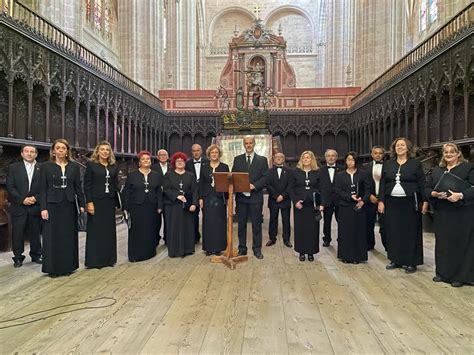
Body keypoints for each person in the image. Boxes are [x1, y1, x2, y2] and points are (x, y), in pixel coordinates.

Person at [425, 143, 474, 287]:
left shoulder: (468, 168)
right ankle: (442, 273)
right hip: (443, 212)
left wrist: (460, 195)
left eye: (452, 152)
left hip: (462, 212)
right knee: (443, 243)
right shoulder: (437, 170)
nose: (449, 154)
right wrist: (433, 193)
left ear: (458, 154)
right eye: (446, 152)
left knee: (460, 243)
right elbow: (426, 188)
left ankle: (460, 276)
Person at [378, 137, 428, 274]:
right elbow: (382, 184)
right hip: (391, 203)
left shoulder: (415, 164)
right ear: (394, 149)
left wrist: (425, 201)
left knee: (411, 232)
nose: (399, 147)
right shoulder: (387, 164)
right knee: (393, 232)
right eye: (397, 146)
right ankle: (395, 259)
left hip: (410, 203)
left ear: (408, 148)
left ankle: (411, 261)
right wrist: (381, 201)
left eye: (402, 145)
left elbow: (422, 183)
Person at [39, 138, 85, 277]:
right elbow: (42, 189)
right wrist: (43, 208)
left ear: (67, 151)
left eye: (63, 148)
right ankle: (53, 268)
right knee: (52, 237)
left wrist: (82, 204)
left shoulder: (74, 167)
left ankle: (68, 267)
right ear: (53, 151)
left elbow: (78, 187)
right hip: (52, 205)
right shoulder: (46, 166)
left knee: (68, 236)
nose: (60, 150)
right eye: (58, 148)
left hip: (69, 204)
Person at [83, 141, 119, 269]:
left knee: (109, 230)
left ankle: (109, 259)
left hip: (109, 201)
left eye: (107, 150)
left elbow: (115, 184)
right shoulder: (92, 165)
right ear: (97, 152)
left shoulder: (113, 166)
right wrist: (89, 202)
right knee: (96, 230)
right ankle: (95, 261)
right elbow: (87, 185)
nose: (105, 152)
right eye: (102, 149)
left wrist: (116, 202)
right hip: (96, 201)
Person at [231, 135, 268, 259]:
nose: (248, 145)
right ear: (243, 145)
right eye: (246, 143)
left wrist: (254, 185)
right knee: (241, 225)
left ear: (254, 144)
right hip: (241, 198)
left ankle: (257, 249)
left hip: (255, 198)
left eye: (250, 143)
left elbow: (265, 178)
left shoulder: (262, 160)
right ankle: (242, 248)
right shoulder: (237, 159)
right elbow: (234, 176)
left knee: (256, 225)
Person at [123, 151, 163, 262]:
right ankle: (136, 255)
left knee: (150, 229)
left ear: (151, 161)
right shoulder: (132, 175)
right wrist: (125, 208)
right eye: (143, 159)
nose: (146, 161)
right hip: (136, 206)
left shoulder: (156, 175)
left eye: (148, 159)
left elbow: (159, 191)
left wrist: (160, 205)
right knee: (136, 230)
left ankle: (149, 253)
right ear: (139, 162)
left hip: (151, 205)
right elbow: (127, 192)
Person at [6, 145, 42, 268]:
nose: (29, 154)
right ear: (22, 153)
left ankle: (36, 254)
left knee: (35, 232)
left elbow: (45, 187)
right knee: (18, 233)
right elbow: (10, 187)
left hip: (35, 205)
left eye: (32, 152)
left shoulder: (42, 168)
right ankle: (18, 257)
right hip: (18, 206)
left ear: (36, 154)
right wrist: (22, 199)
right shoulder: (13, 168)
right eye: (26, 151)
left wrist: (35, 198)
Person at [335, 152, 372, 264]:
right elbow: (337, 190)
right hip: (345, 206)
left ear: (356, 161)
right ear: (345, 161)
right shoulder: (340, 175)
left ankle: (357, 256)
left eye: (352, 159)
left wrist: (363, 201)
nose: (350, 162)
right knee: (345, 231)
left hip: (359, 206)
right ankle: (345, 256)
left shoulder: (363, 174)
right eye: (348, 160)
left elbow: (368, 189)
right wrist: (349, 197)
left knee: (359, 231)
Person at [289, 151, 324, 262]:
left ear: (312, 159)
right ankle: (301, 252)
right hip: (300, 205)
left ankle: (311, 252)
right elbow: (290, 189)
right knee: (300, 229)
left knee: (313, 229)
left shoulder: (318, 172)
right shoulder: (295, 172)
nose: (306, 159)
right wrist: (295, 202)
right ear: (301, 159)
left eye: (308, 158)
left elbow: (322, 188)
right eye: (304, 157)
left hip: (313, 206)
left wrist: (321, 204)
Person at [163, 152, 198, 258]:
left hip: (187, 206)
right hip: (173, 206)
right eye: (177, 161)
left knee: (187, 227)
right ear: (174, 162)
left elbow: (195, 191)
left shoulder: (190, 175)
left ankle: (188, 249)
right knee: (174, 228)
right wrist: (177, 196)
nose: (180, 163)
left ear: (185, 162)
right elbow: (165, 189)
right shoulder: (168, 175)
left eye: (182, 161)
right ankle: (175, 251)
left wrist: (194, 204)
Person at [199, 144, 229, 256]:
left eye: (216, 152)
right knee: (208, 222)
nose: (214, 154)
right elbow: (201, 183)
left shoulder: (224, 167)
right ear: (209, 154)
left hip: (220, 198)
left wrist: (228, 199)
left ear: (219, 154)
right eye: (212, 152)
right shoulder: (204, 166)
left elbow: (227, 184)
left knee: (219, 222)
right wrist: (200, 198)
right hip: (207, 197)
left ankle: (218, 248)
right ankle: (208, 248)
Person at [266, 152, 292, 248]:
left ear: (283, 159)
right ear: (274, 159)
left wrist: (283, 196)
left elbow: (290, 185)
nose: (278, 158)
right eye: (276, 157)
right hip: (273, 200)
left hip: (285, 200)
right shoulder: (269, 171)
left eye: (281, 157)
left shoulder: (289, 171)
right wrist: (276, 196)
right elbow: (268, 185)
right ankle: (272, 238)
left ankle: (286, 239)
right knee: (273, 219)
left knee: (286, 220)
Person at [363, 145, 387, 251]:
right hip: (371, 198)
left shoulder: (389, 166)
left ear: (383, 154)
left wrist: (382, 198)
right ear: (372, 154)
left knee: (385, 225)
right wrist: (369, 196)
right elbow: (363, 183)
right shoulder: (365, 167)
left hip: (385, 199)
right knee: (368, 223)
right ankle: (369, 245)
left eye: (380, 153)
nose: (378, 155)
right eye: (375, 153)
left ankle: (387, 246)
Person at [185, 144, 209, 244]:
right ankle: (195, 237)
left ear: (201, 151)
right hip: (192, 194)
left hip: (205, 193)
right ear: (191, 152)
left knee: (207, 216)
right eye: (194, 151)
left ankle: (208, 238)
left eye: (198, 150)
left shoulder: (207, 162)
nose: (196, 152)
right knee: (193, 217)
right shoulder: (187, 163)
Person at [319, 149, 344, 247]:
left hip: (340, 199)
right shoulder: (320, 170)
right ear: (325, 158)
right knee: (327, 221)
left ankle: (341, 238)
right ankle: (327, 239)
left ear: (336, 157)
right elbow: (319, 186)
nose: (331, 157)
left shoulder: (342, 169)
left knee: (341, 221)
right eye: (328, 156)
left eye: (333, 155)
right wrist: (321, 202)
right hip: (326, 200)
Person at [152, 149, 169, 245]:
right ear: (158, 157)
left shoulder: (172, 167)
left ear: (167, 156)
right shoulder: (153, 167)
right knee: (156, 220)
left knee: (168, 219)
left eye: (164, 155)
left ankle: (167, 238)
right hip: (157, 197)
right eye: (161, 155)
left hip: (168, 197)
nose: (163, 156)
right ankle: (156, 238)